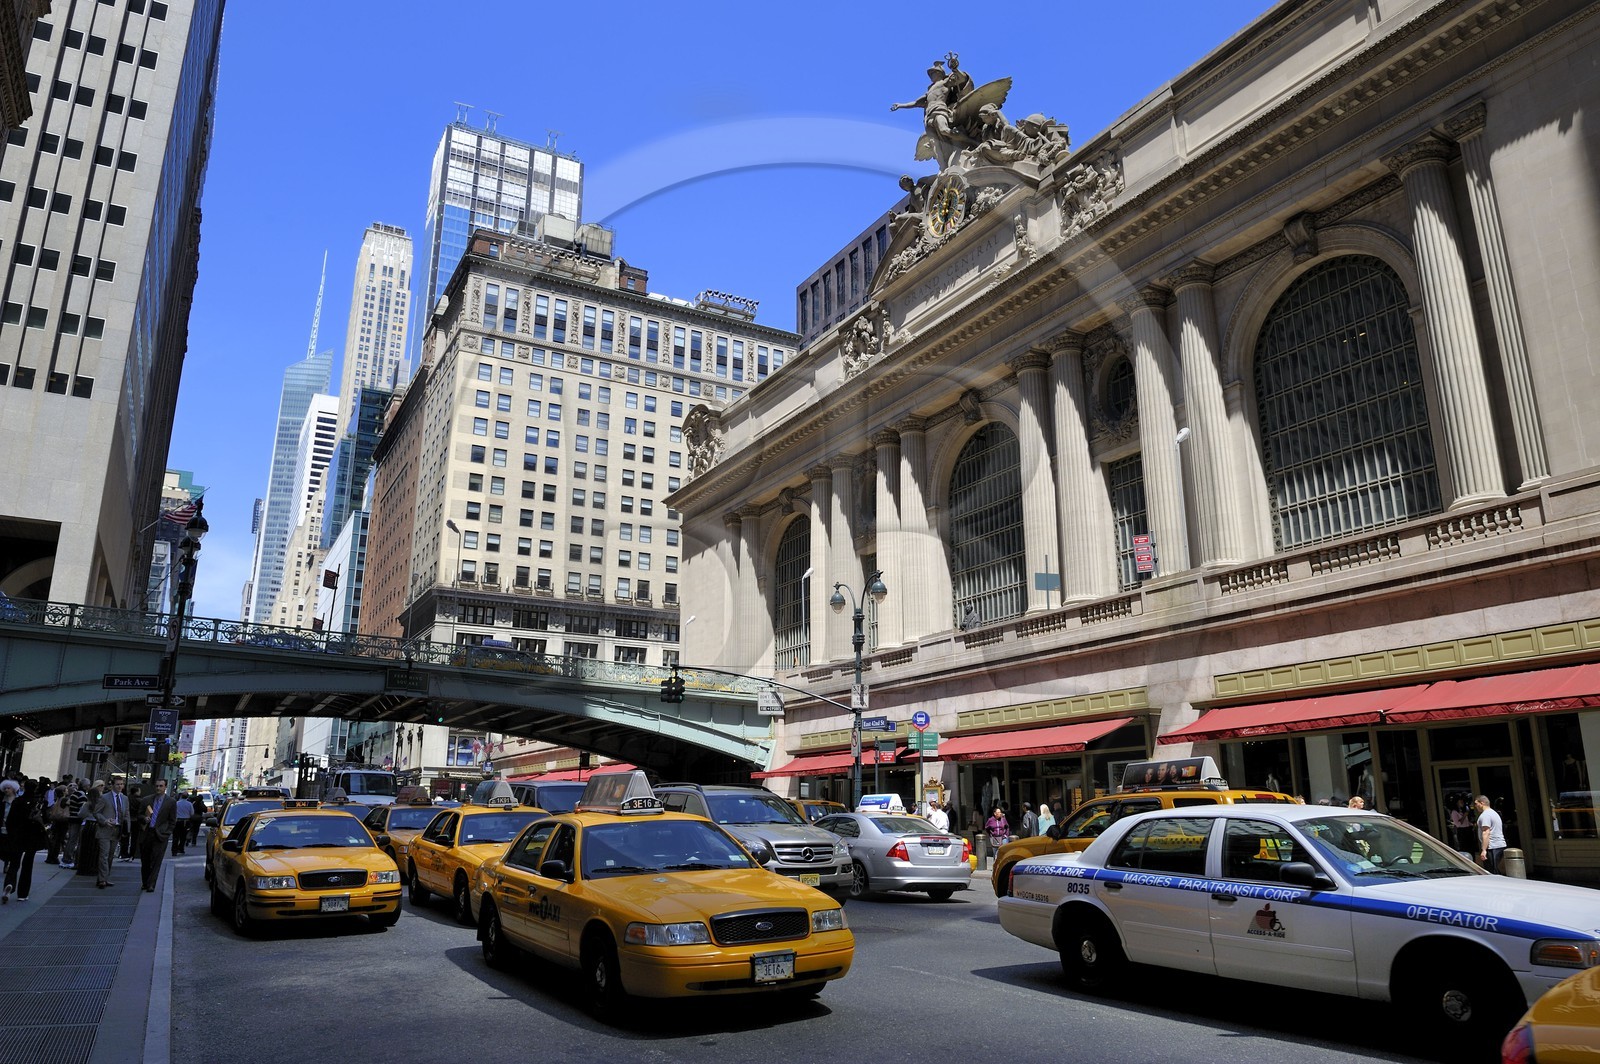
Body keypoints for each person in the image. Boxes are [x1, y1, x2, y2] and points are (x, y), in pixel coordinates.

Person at [2, 778, 46, 903]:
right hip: (32, 837)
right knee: (28, 865)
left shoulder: (18, 801)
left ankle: (9, 883)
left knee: (14, 862)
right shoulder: (39, 802)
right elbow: (45, 820)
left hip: (18, 835)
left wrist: (11, 834)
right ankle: (23, 893)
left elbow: (10, 820)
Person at [139, 779, 179, 892]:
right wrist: (143, 818)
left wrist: (167, 833)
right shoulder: (146, 800)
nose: (158, 788)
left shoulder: (171, 802)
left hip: (160, 835)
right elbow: (139, 815)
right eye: (156, 786)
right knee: (145, 860)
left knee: (156, 861)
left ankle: (151, 884)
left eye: (161, 786)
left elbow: (172, 820)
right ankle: (145, 882)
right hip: (147, 833)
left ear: (165, 787)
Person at [92, 777, 130, 889]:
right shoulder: (104, 797)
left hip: (117, 829)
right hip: (105, 829)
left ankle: (104, 877)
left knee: (110, 856)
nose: (120, 786)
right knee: (104, 855)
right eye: (118, 784)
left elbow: (126, 814)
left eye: (122, 784)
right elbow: (96, 812)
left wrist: (127, 829)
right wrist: (104, 820)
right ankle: (102, 880)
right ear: (112, 785)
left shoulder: (124, 799)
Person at [1475, 794, 1507, 873]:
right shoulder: (1494, 813)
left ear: (1482, 803)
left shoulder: (1485, 815)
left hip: (1492, 847)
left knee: (1491, 871)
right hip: (1498, 845)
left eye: (1476, 803)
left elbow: (1486, 832)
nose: (1475, 806)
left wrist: (1484, 850)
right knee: (1495, 870)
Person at [172, 791, 194, 855]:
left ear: (181, 796)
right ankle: (181, 849)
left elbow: (173, 812)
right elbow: (192, 813)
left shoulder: (177, 803)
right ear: (187, 797)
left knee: (175, 836)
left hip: (177, 821)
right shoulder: (189, 804)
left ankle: (174, 850)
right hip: (185, 822)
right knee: (183, 836)